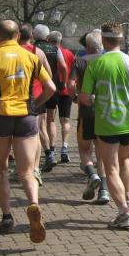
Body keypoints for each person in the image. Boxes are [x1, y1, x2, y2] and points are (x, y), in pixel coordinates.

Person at [0, 20, 55, 243]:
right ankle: (33, 204)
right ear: (17, 36)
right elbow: (51, 87)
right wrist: (35, 105)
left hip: (0, 118)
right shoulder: (31, 57)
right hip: (26, 117)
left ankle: (7, 218)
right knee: (27, 171)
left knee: (1, 169)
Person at [79, 21, 129, 229]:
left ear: (103, 40)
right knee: (126, 160)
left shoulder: (96, 64)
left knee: (111, 168)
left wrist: (95, 100)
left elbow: (84, 97)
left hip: (107, 123)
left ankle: (124, 212)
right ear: (121, 39)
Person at [73, 30, 108, 204]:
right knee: (102, 153)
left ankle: (91, 173)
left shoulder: (79, 61)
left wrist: (75, 96)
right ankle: (104, 191)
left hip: (86, 110)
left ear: (87, 47)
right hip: (104, 111)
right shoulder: (107, 61)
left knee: (84, 149)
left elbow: (71, 84)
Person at [18, 24, 52, 185]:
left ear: (18, 35)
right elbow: (49, 75)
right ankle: (35, 168)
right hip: (36, 96)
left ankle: (23, 167)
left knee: (17, 135)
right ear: (31, 36)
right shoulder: (37, 52)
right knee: (35, 133)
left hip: (16, 97)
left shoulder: (11, 51)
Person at [34, 24, 68, 172]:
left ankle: (45, 154)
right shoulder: (55, 49)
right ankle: (52, 149)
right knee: (51, 120)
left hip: (38, 88)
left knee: (40, 124)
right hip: (52, 87)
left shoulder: (33, 48)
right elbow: (63, 66)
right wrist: (62, 82)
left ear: (34, 35)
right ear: (47, 37)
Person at [48, 30, 75, 164]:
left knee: (50, 120)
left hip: (51, 89)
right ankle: (64, 147)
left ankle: (52, 149)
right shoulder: (69, 54)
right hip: (66, 91)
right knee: (65, 120)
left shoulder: (47, 52)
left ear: (49, 40)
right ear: (61, 41)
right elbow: (73, 72)